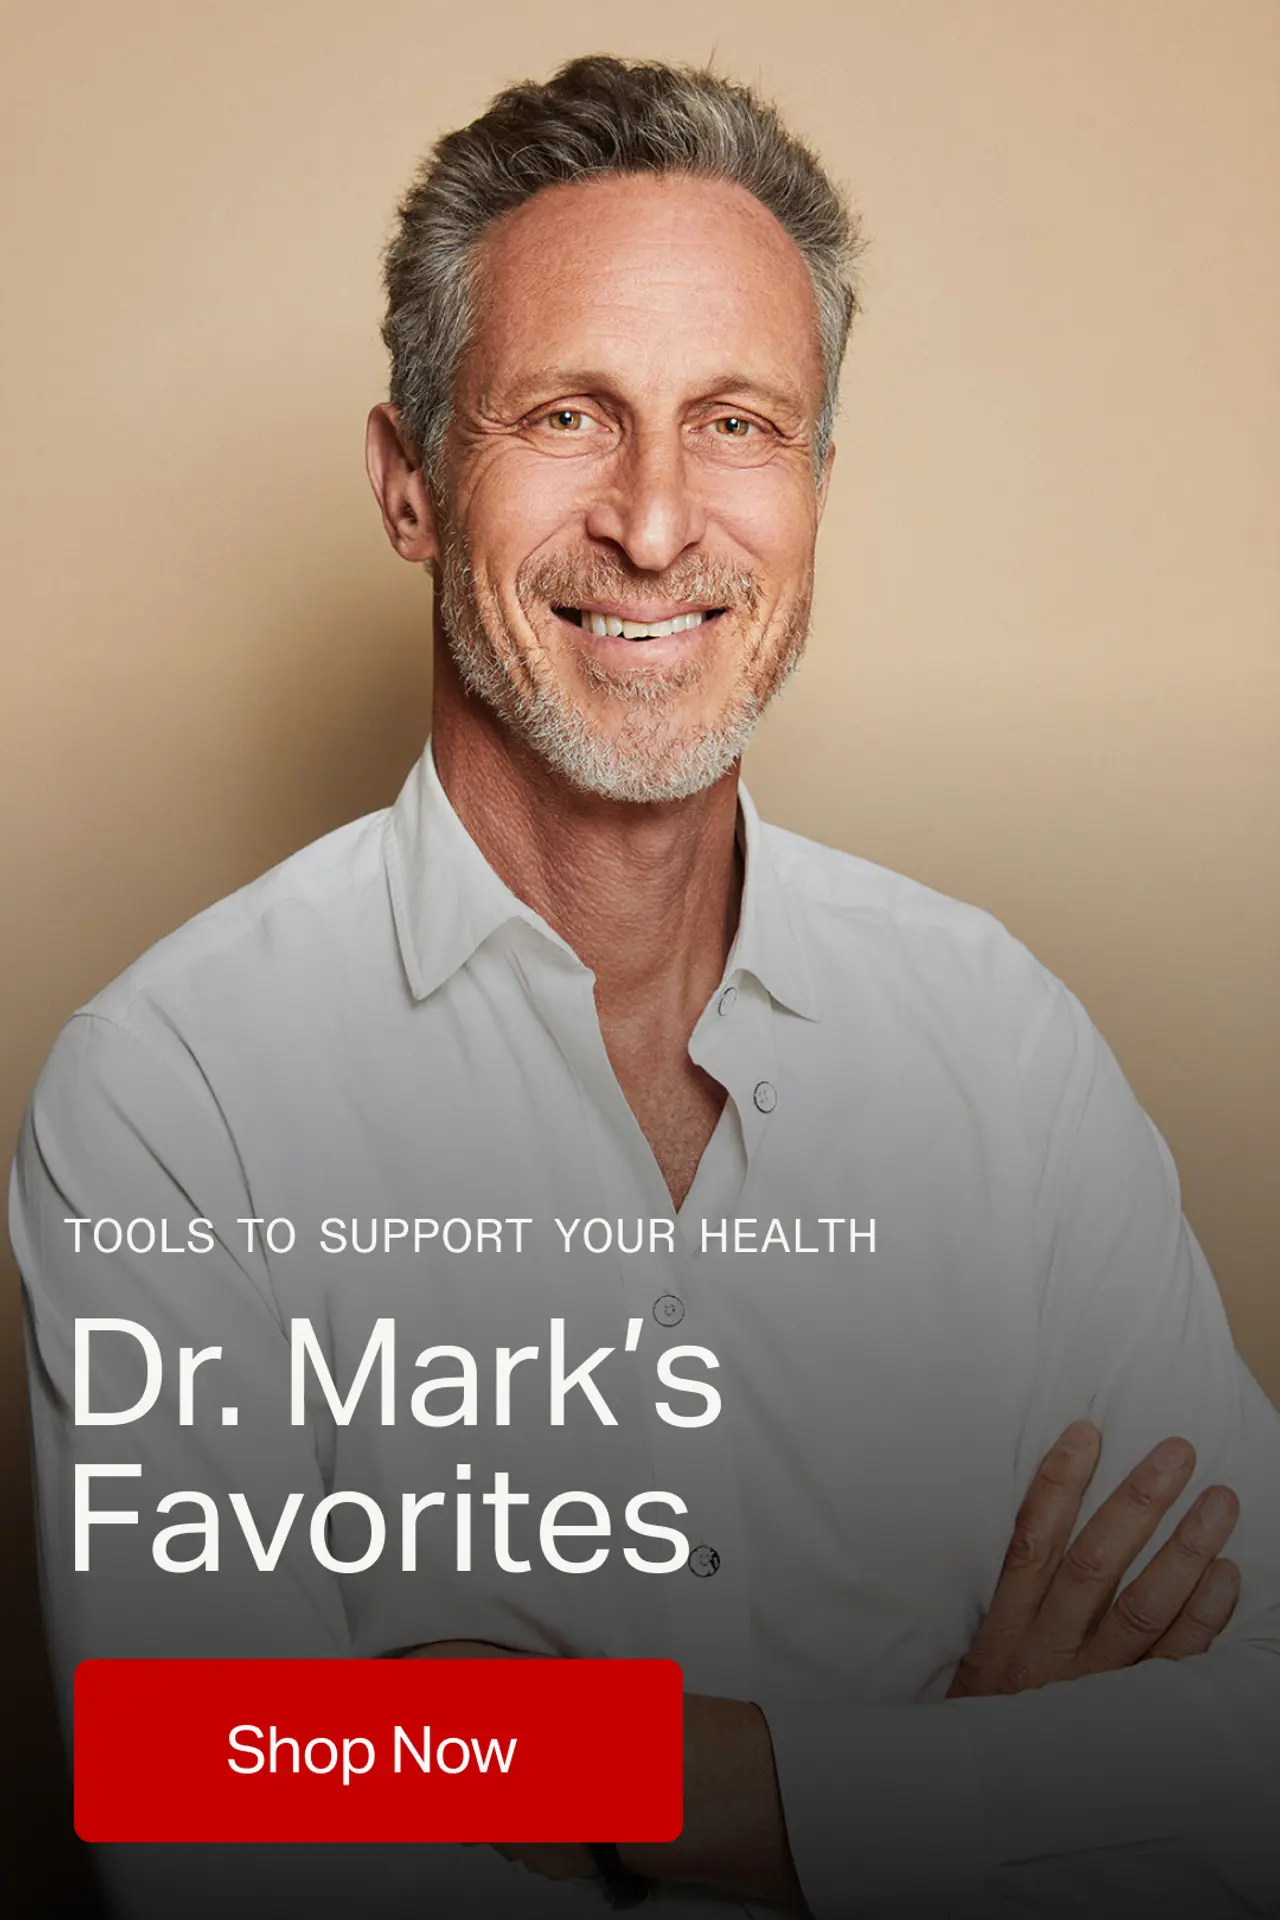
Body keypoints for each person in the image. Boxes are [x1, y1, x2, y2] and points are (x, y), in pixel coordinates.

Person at [12, 54, 1280, 1920]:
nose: (663, 523)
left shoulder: (1003, 1049)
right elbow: (227, 1845)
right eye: (569, 416)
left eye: (742, 424)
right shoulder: (171, 1099)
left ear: (821, 487)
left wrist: (701, 1786)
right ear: (409, 483)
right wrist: (984, 1793)